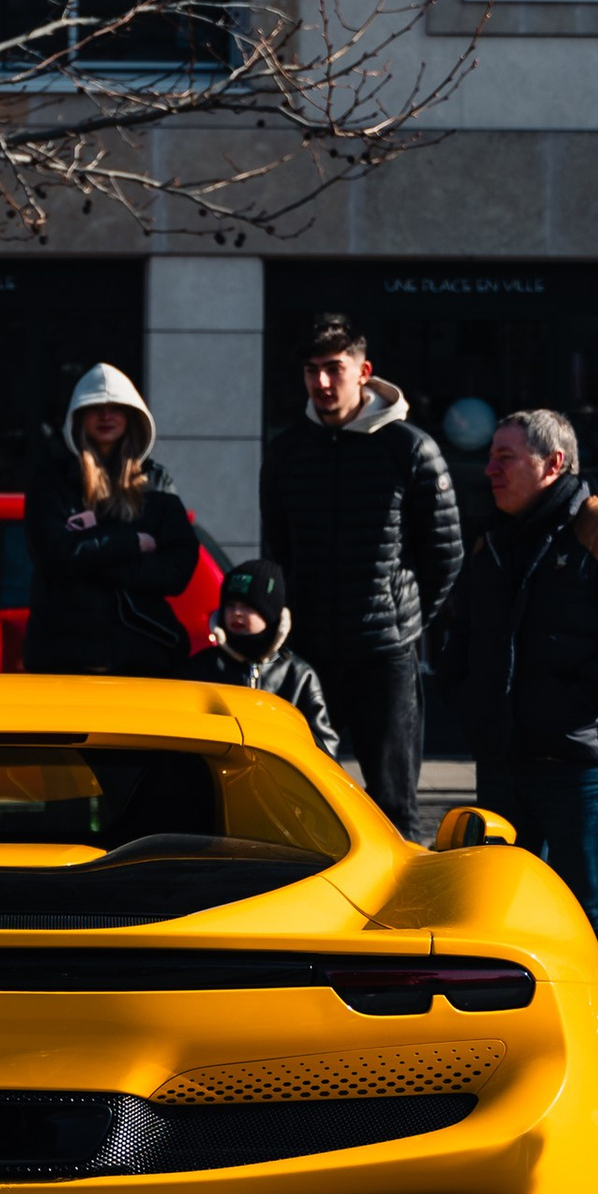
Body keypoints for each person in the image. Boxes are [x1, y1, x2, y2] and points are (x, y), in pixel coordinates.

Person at [432, 403, 598, 1050]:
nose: (489, 469)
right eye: (490, 456)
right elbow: (464, 629)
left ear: (554, 463)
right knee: (511, 916)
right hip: (506, 759)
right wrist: (463, 693)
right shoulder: (492, 538)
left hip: (579, 765)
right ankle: (530, 1048)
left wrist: (595, 692)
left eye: (504, 457)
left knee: (589, 910)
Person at [259, 310, 462, 839]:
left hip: (383, 655)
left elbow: (444, 555)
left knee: (394, 806)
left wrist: (404, 621)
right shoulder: (286, 451)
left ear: (364, 370)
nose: (322, 382)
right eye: (311, 370)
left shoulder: (410, 449)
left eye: (334, 368)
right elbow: (279, 549)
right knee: (297, 798)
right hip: (307, 652)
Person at [22, 363, 203, 677]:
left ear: (131, 416)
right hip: (66, 659)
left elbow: (178, 569)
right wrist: (132, 541)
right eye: (96, 408)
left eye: (116, 408)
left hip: (143, 654)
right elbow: (51, 555)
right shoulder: (51, 481)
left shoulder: (157, 482)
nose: (106, 416)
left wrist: (90, 558)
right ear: (78, 416)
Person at [192, 554, 345, 763]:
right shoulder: (203, 667)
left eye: (247, 606)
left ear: (271, 615)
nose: (236, 613)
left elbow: (323, 742)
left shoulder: (296, 673)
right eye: (231, 605)